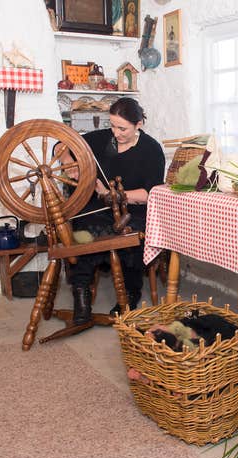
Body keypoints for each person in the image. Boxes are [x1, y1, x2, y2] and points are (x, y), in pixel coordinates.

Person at [60, 98, 165, 324]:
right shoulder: (101, 139)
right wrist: (69, 162)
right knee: (85, 229)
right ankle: (81, 293)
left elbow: (149, 193)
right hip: (99, 206)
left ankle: (130, 293)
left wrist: (115, 195)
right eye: (112, 125)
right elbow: (62, 144)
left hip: (133, 209)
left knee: (128, 233)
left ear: (139, 124)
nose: (116, 133)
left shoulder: (151, 150)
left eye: (122, 128)